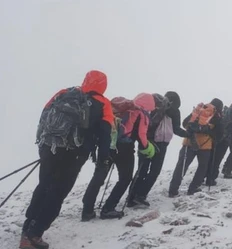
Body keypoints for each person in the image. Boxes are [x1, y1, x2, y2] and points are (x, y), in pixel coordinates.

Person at [21, 70, 113, 249]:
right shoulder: (103, 103)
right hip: (75, 154)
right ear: (103, 85)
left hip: (50, 147)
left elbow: (44, 116)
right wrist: (103, 159)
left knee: (44, 186)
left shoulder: (64, 93)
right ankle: (35, 234)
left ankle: (28, 226)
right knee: (57, 193)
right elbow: (105, 134)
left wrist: (43, 144)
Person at [81, 93, 156, 221]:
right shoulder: (140, 113)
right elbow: (141, 136)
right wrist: (148, 148)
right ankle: (108, 208)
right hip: (124, 149)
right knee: (125, 178)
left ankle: (87, 210)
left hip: (107, 144)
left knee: (99, 176)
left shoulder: (119, 107)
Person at [127, 92, 188, 208]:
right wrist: (188, 134)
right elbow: (176, 129)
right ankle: (140, 196)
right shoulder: (174, 111)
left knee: (142, 170)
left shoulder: (154, 105)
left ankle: (132, 197)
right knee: (154, 171)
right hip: (161, 143)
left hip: (146, 141)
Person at [168, 98, 223, 197]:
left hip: (188, 143)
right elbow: (219, 134)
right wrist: (207, 131)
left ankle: (173, 190)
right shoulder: (216, 115)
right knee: (202, 167)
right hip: (205, 146)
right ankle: (193, 188)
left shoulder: (198, 111)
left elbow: (185, 123)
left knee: (181, 166)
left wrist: (194, 129)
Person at [205, 100, 232, 184]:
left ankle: (205, 176)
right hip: (228, 138)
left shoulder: (225, 112)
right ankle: (219, 175)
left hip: (220, 137)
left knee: (213, 157)